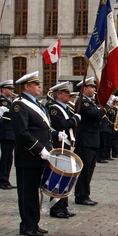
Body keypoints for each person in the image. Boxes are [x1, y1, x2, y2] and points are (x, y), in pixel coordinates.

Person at [10, 71, 61, 236]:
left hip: (40, 156)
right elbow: (22, 132)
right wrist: (39, 148)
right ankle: (27, 225)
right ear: (27, 86)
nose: (40, 86)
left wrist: (55, 135)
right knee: (28, 193)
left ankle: (34, 223)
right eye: (36, 84)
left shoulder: (37, 104)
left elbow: (42, 128)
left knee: (36, 193)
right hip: (28, 156)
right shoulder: (19, 105)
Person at [46, 81, 81, 218]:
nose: (69, 95)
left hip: (67, 144)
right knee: (59, 177)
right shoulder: (54, 108)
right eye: (66, 93)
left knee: (67, 176)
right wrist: (75, 120)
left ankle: (63, 206)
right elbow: (61, 124)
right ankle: (56, 208)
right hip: (59, 144)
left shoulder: (65, 108)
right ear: (58, 94)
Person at [74, 77, 106, 205]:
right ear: (84, 89)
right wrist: (105, 107)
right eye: (91, 87)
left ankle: (84, 194)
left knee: (89, 169)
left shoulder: (89, 102)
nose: (94, 89)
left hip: (91, 140)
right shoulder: (82, 101)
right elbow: (95, 115)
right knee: (85, 170)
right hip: (85, 140)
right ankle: (81, 196)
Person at [0, 79, 17, 190]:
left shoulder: (9, 101)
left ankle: (5, 180)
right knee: (6, 158)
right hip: (6, 133)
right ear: (3, 89)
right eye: (9, 89)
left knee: (9, 158)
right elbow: (11, 112)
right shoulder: (2, 101)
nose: (11, 91)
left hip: (10, 133)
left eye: (12, 89)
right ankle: (3, 181)